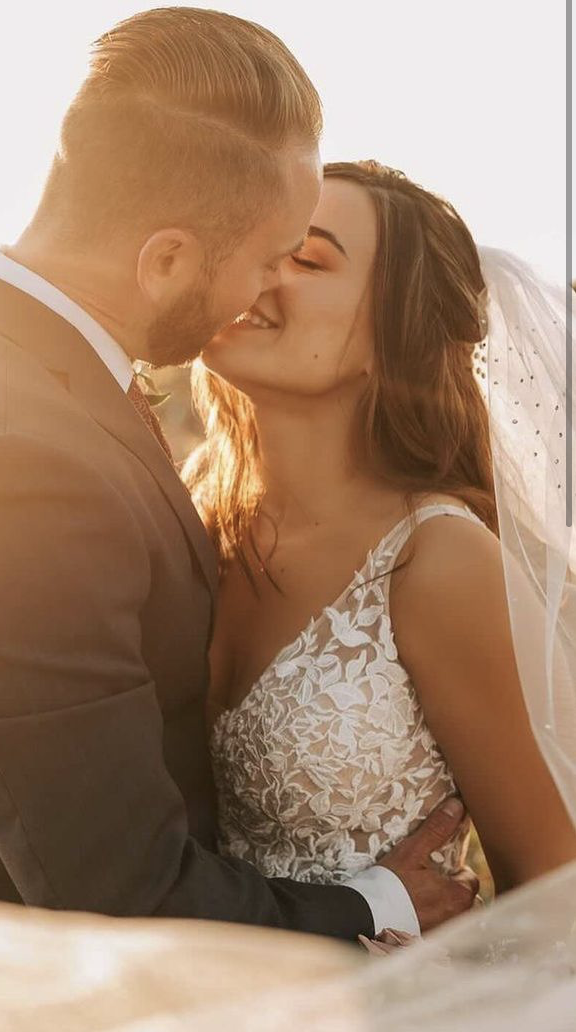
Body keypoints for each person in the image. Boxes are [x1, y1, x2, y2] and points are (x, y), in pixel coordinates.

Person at [0, 9, 472, 943]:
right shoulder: (15, 473)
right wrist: (376, 904)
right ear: (167, 258)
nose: (265, 292)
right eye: (267, 259)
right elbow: (121, 896)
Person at [185, 160, 576, 943]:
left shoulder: (440, 562)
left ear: (390, 336)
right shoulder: (191, 515)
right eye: (261, 245)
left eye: (307, 258)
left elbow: (556, 896)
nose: (260, 270)